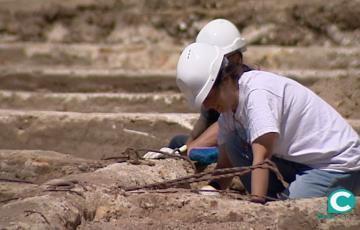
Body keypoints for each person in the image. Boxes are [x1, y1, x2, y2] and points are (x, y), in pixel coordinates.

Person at [176, 41, 360, 202]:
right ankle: (274, 200)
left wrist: (257, 207)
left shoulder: (258, 96)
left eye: (208, 96)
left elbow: (261, 160)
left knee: (289, 212)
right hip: (301, 160)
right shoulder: (229, 111)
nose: (207, 106)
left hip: (336, 163)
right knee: (233, 143)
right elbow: (225, 166)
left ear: (224, 80)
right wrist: (211, 190)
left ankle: (276, 203)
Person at [144, 19, 247, 159]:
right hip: (220, 140)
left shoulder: (242, 85)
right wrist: (184, 148)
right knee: (177, 141)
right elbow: (202, 126)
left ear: (236, 58)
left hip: (241, 145)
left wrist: (184, 153)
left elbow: (222, 128)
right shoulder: (213, 81)